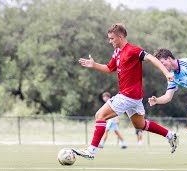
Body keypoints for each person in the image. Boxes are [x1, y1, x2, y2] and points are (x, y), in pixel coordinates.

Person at [72, 23, 178, 160]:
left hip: (128, 95)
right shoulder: (116, 52)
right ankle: (170, 135)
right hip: (135, 97)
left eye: (112, 39)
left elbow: (151, 58)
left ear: (120, 37)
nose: (110, 41)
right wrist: (94, 65)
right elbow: (110, 68)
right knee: (140, 124)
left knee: (100, 115)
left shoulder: (133, 50)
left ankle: (91, 152)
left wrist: (166, 73)